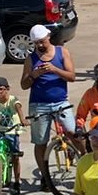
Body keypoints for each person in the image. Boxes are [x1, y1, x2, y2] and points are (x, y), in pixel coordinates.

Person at [20, 24, 76, 179]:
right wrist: (33, 75)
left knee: (74, 133)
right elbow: (23, 85)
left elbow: (72, 76)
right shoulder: (31, 59)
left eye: (42, 41)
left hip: (61, 102)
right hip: (39, 105)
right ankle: (45, 177)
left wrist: (54, 69)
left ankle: (86, 160)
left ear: (48, 37)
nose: (39, 45)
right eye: (36, 42)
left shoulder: (62, 52)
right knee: (40, 142)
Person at [0, 76, 26, 187]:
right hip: (0, 132)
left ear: (7, 89)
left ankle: (16, 181)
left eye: (1, 89)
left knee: (15, 157)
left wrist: (22, 119)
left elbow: (18, 107)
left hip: (12, 131)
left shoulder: (13, 100)